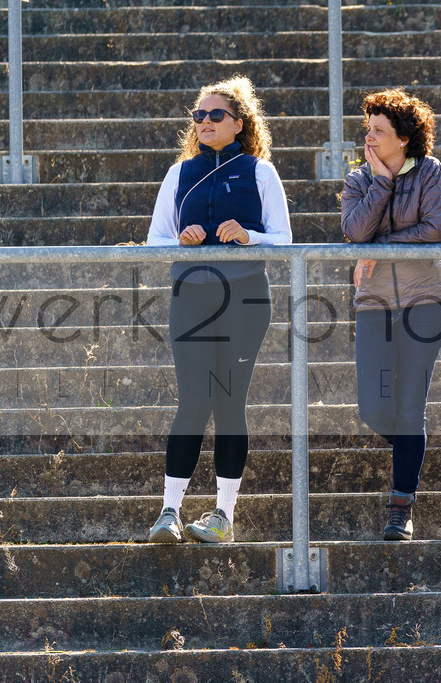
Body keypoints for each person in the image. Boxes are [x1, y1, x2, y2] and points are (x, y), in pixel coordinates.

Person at [145, 76, 291, 543]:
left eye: (216, 115)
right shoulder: (179, 172)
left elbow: (284, 239)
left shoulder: (260, 171)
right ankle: (169, 512)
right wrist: (179, 241)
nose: (204, 122)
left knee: (229, 403)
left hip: (245, 297)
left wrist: (249, 237)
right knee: (193, 401)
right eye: (198, 115)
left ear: (239, 123)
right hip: (191, 296)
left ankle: (223, 517)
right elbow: (155, 241)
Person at [341, 88, 441, 541]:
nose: (369, 138)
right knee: (374, 408)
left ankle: (400, 506)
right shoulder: (357, 180)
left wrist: (378, 249)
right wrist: (382, 182)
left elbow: (435, 229)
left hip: (426, 301)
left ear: (404, 138)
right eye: (368, 129)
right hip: (374, 306)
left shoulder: (430, 171)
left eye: (379, 131)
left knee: (410, 408)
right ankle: (414, 452)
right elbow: (354, 231)